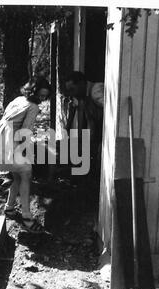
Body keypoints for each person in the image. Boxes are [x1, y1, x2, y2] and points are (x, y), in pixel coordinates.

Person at [0, 77, 51, 233]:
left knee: (17, 176)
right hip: (9, 142)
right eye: (40, 95)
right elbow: (24, 132)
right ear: (33, 91)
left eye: (45, 97)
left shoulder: (19, 99)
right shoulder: (33, 107)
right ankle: (27, 217)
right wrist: (30, 149)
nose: (42, 99)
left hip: (0, 138)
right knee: (26, 172)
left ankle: (10, 208)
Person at [64, 71, 104, 209]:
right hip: (99, 138)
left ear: (81, 84)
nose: (71, 93)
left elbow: (113, 115)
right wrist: (88, 146)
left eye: (72, 89)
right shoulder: (85, 98)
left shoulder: (96, 91)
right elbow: (92, 123)